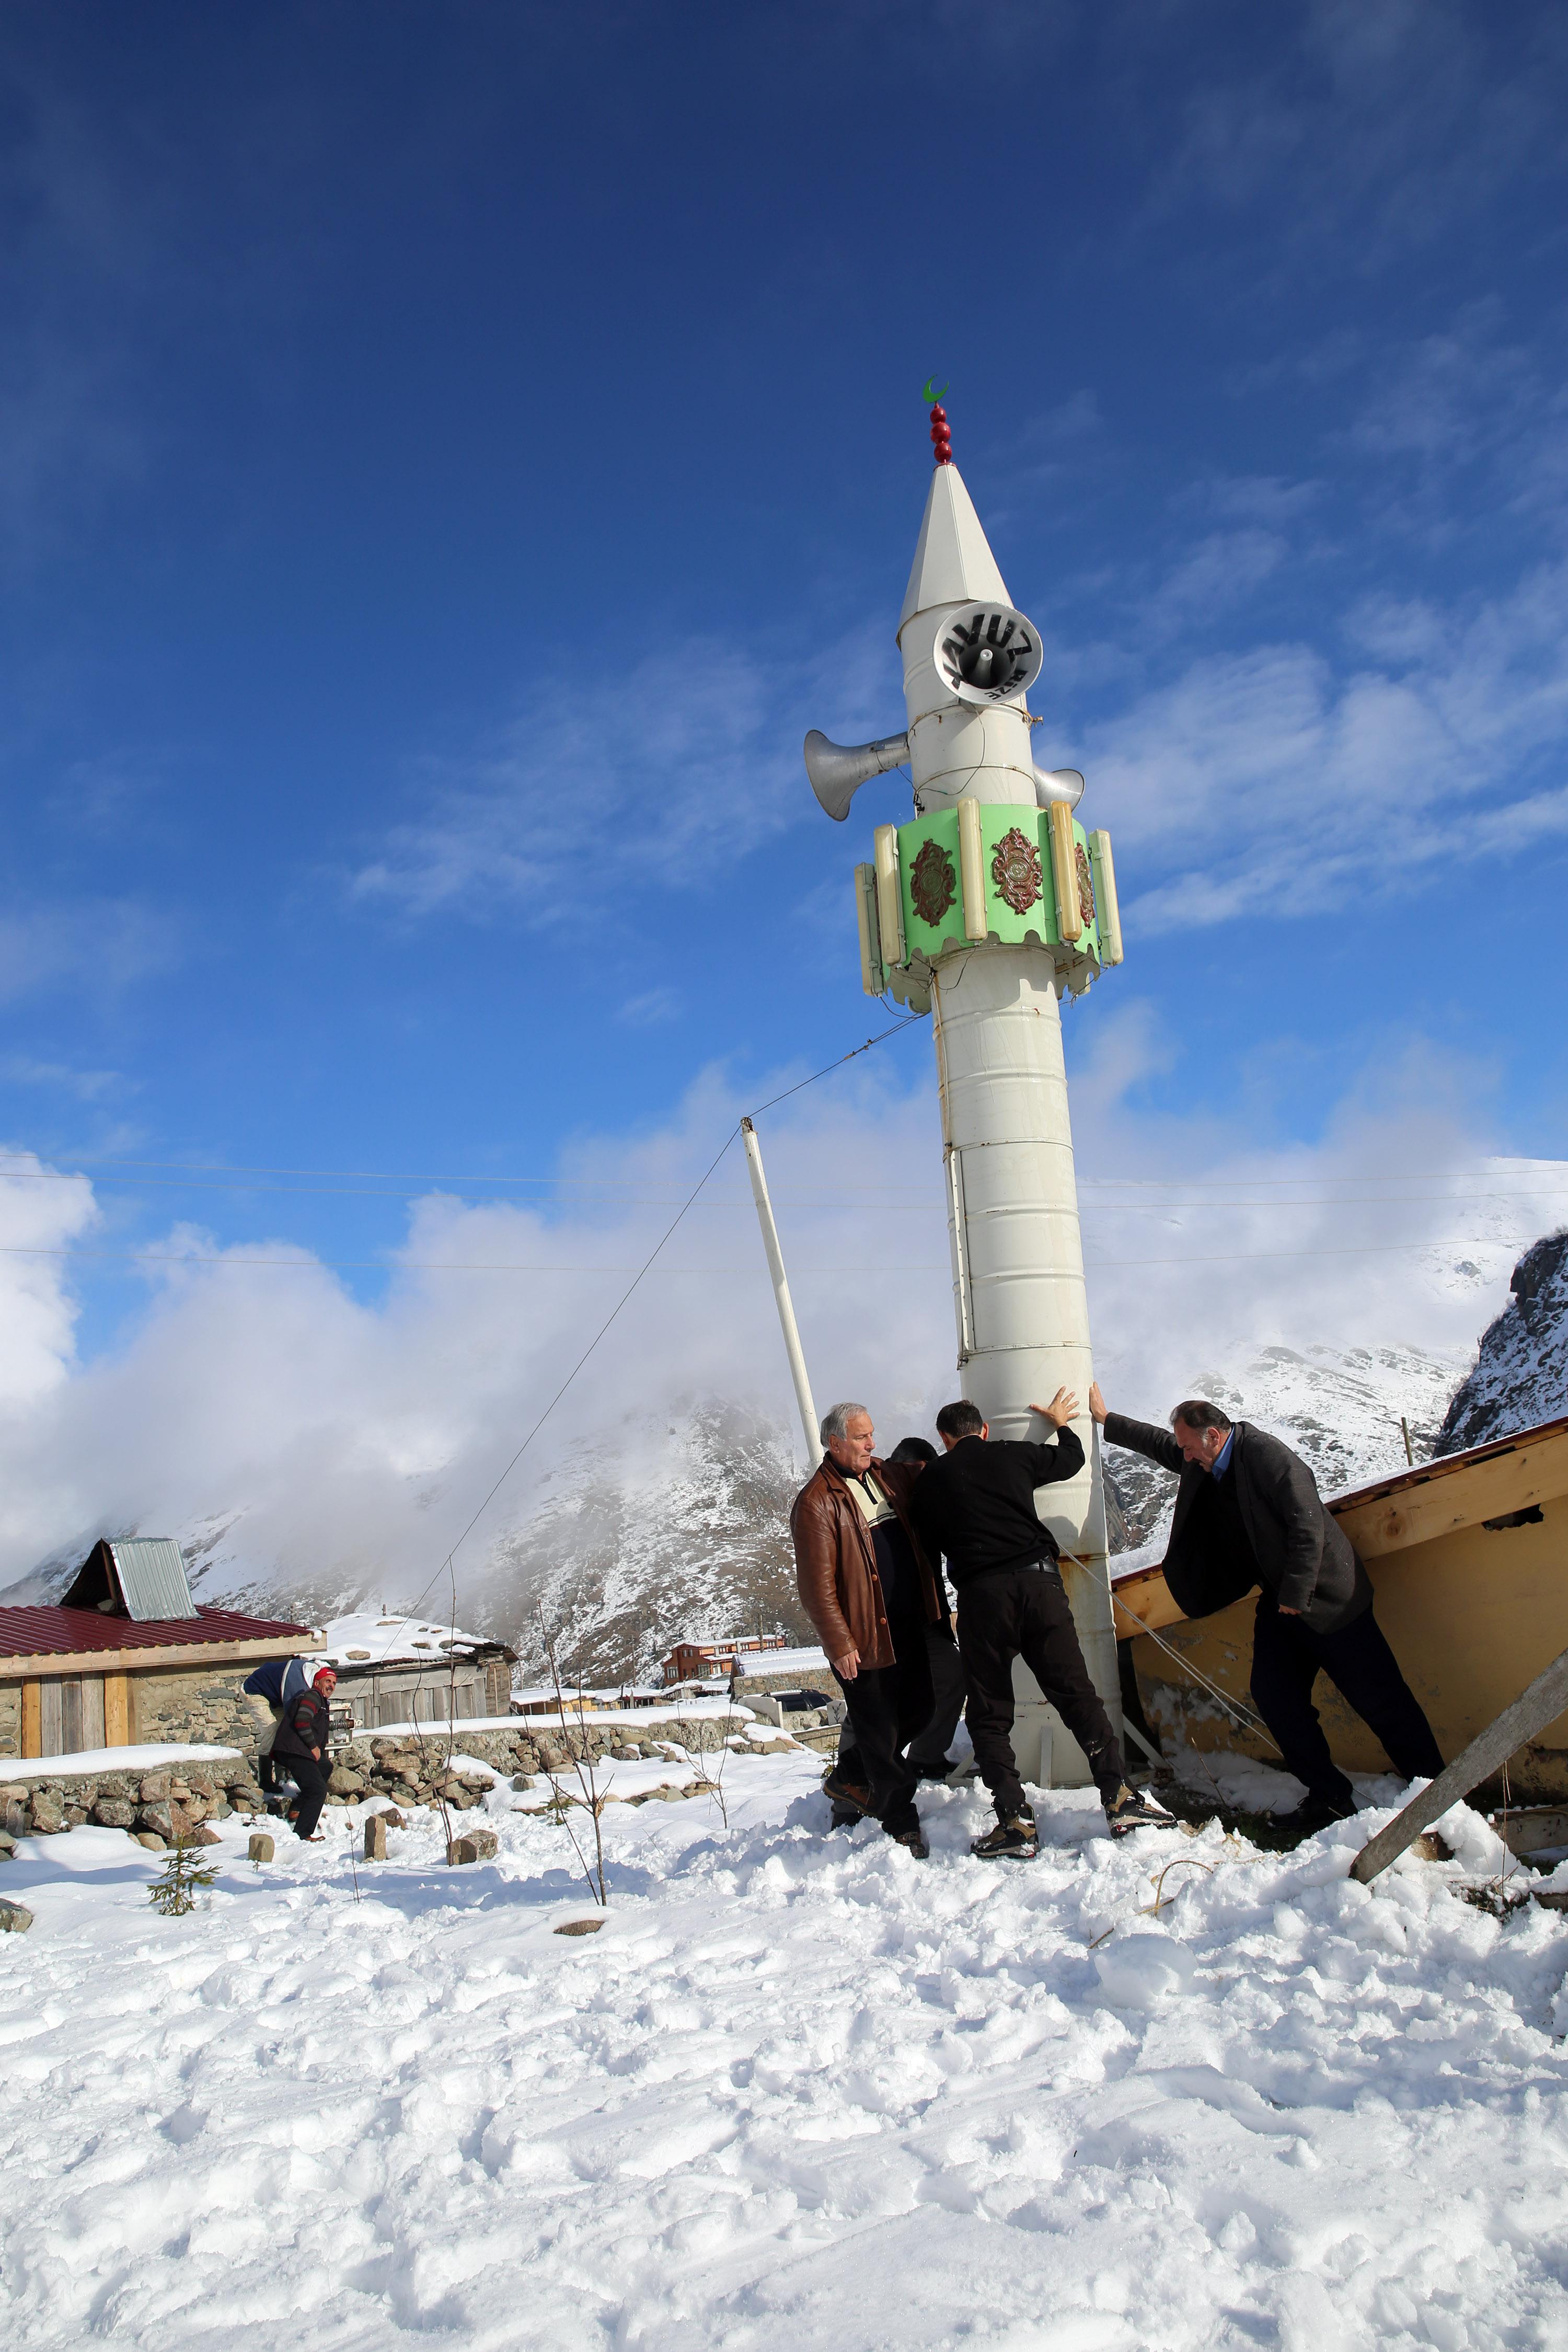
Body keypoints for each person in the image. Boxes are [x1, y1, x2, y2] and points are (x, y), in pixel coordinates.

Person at [1092, 1385, 1444, 1830]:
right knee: (1277, 1698)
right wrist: (1108, 1419)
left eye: (1188, 1446)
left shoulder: (1266, 1456)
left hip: (1329, 1602)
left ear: (1214, 1437)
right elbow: (1164, 1447)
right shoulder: (1204, 1456)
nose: (1184, 1454)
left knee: (1382, 1701)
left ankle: (1439, 1793)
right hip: (1282, 1605)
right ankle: (1330, 1797)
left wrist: (1296, 1597)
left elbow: (1308, 1523)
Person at [908, 1392, 1170, 1857]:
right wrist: (1060, 1424)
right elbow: (1072, 1460)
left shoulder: (932, 1483)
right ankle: (1119, 1796)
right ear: (984, 1428)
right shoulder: (1013, 1454)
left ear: (945, 1439)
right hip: (1040, 1588)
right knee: (1075, 1692)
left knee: (989, 1710)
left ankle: (1014, 1820)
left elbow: (926, 1548)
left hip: (981, 1600)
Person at [791, 1402, 943, 1856]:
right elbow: (816, 1588)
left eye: (872, 1435)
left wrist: (974, 1451)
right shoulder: (816, 1502)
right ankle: (901, 1820)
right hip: (864, 1639)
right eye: (861, 1438)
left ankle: (848, 1776)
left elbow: (929, 1476)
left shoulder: (886, 1475)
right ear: (835, 1443)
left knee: (920, 1709)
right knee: (878, 1729)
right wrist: (840, 1643)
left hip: (908, 1625)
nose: (871, 1444)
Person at [887, 1435, 969, 1782]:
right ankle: (856, 1778)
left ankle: (925, 1756)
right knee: (878, 1696)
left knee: (952, 1676)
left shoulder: (926, 1501)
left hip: (926, 1615)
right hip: (887, 1619)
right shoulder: (880, 1505)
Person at [269, 1666, 339, 1841]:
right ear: (317, 1683)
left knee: (325, 1766)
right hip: (296, 1750)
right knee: (318, 1790)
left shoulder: (321, 1701)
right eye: (327, 1681)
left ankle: (298, 1807)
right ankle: (303, 1833)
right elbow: (302, 1721)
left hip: (299, 1751)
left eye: (334, 1683)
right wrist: (314, 1747)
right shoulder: (312, 1696)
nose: (331, 1685)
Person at [240, 1655, 315, 1793]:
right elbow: (294, 1716)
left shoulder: (313, 1678)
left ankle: (282, 1777)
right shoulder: (297, 1683)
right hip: (254, 1691)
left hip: (275, 1696)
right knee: (272, 1729)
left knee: (284, 1730)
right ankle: (265, 1780)